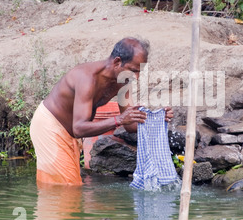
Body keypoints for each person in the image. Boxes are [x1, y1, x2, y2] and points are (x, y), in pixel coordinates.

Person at [30, 37, 173, 186]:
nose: (136, 77)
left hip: (71, 133)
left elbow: (130, 126)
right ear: (117, 62)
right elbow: (79, 128)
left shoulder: (123, 81)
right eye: (133, 70)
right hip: (50, 126)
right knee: (66, 189)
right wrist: (119, 120)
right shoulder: (87, 78)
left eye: (139, 72)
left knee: (66, 189)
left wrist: (156, 119)